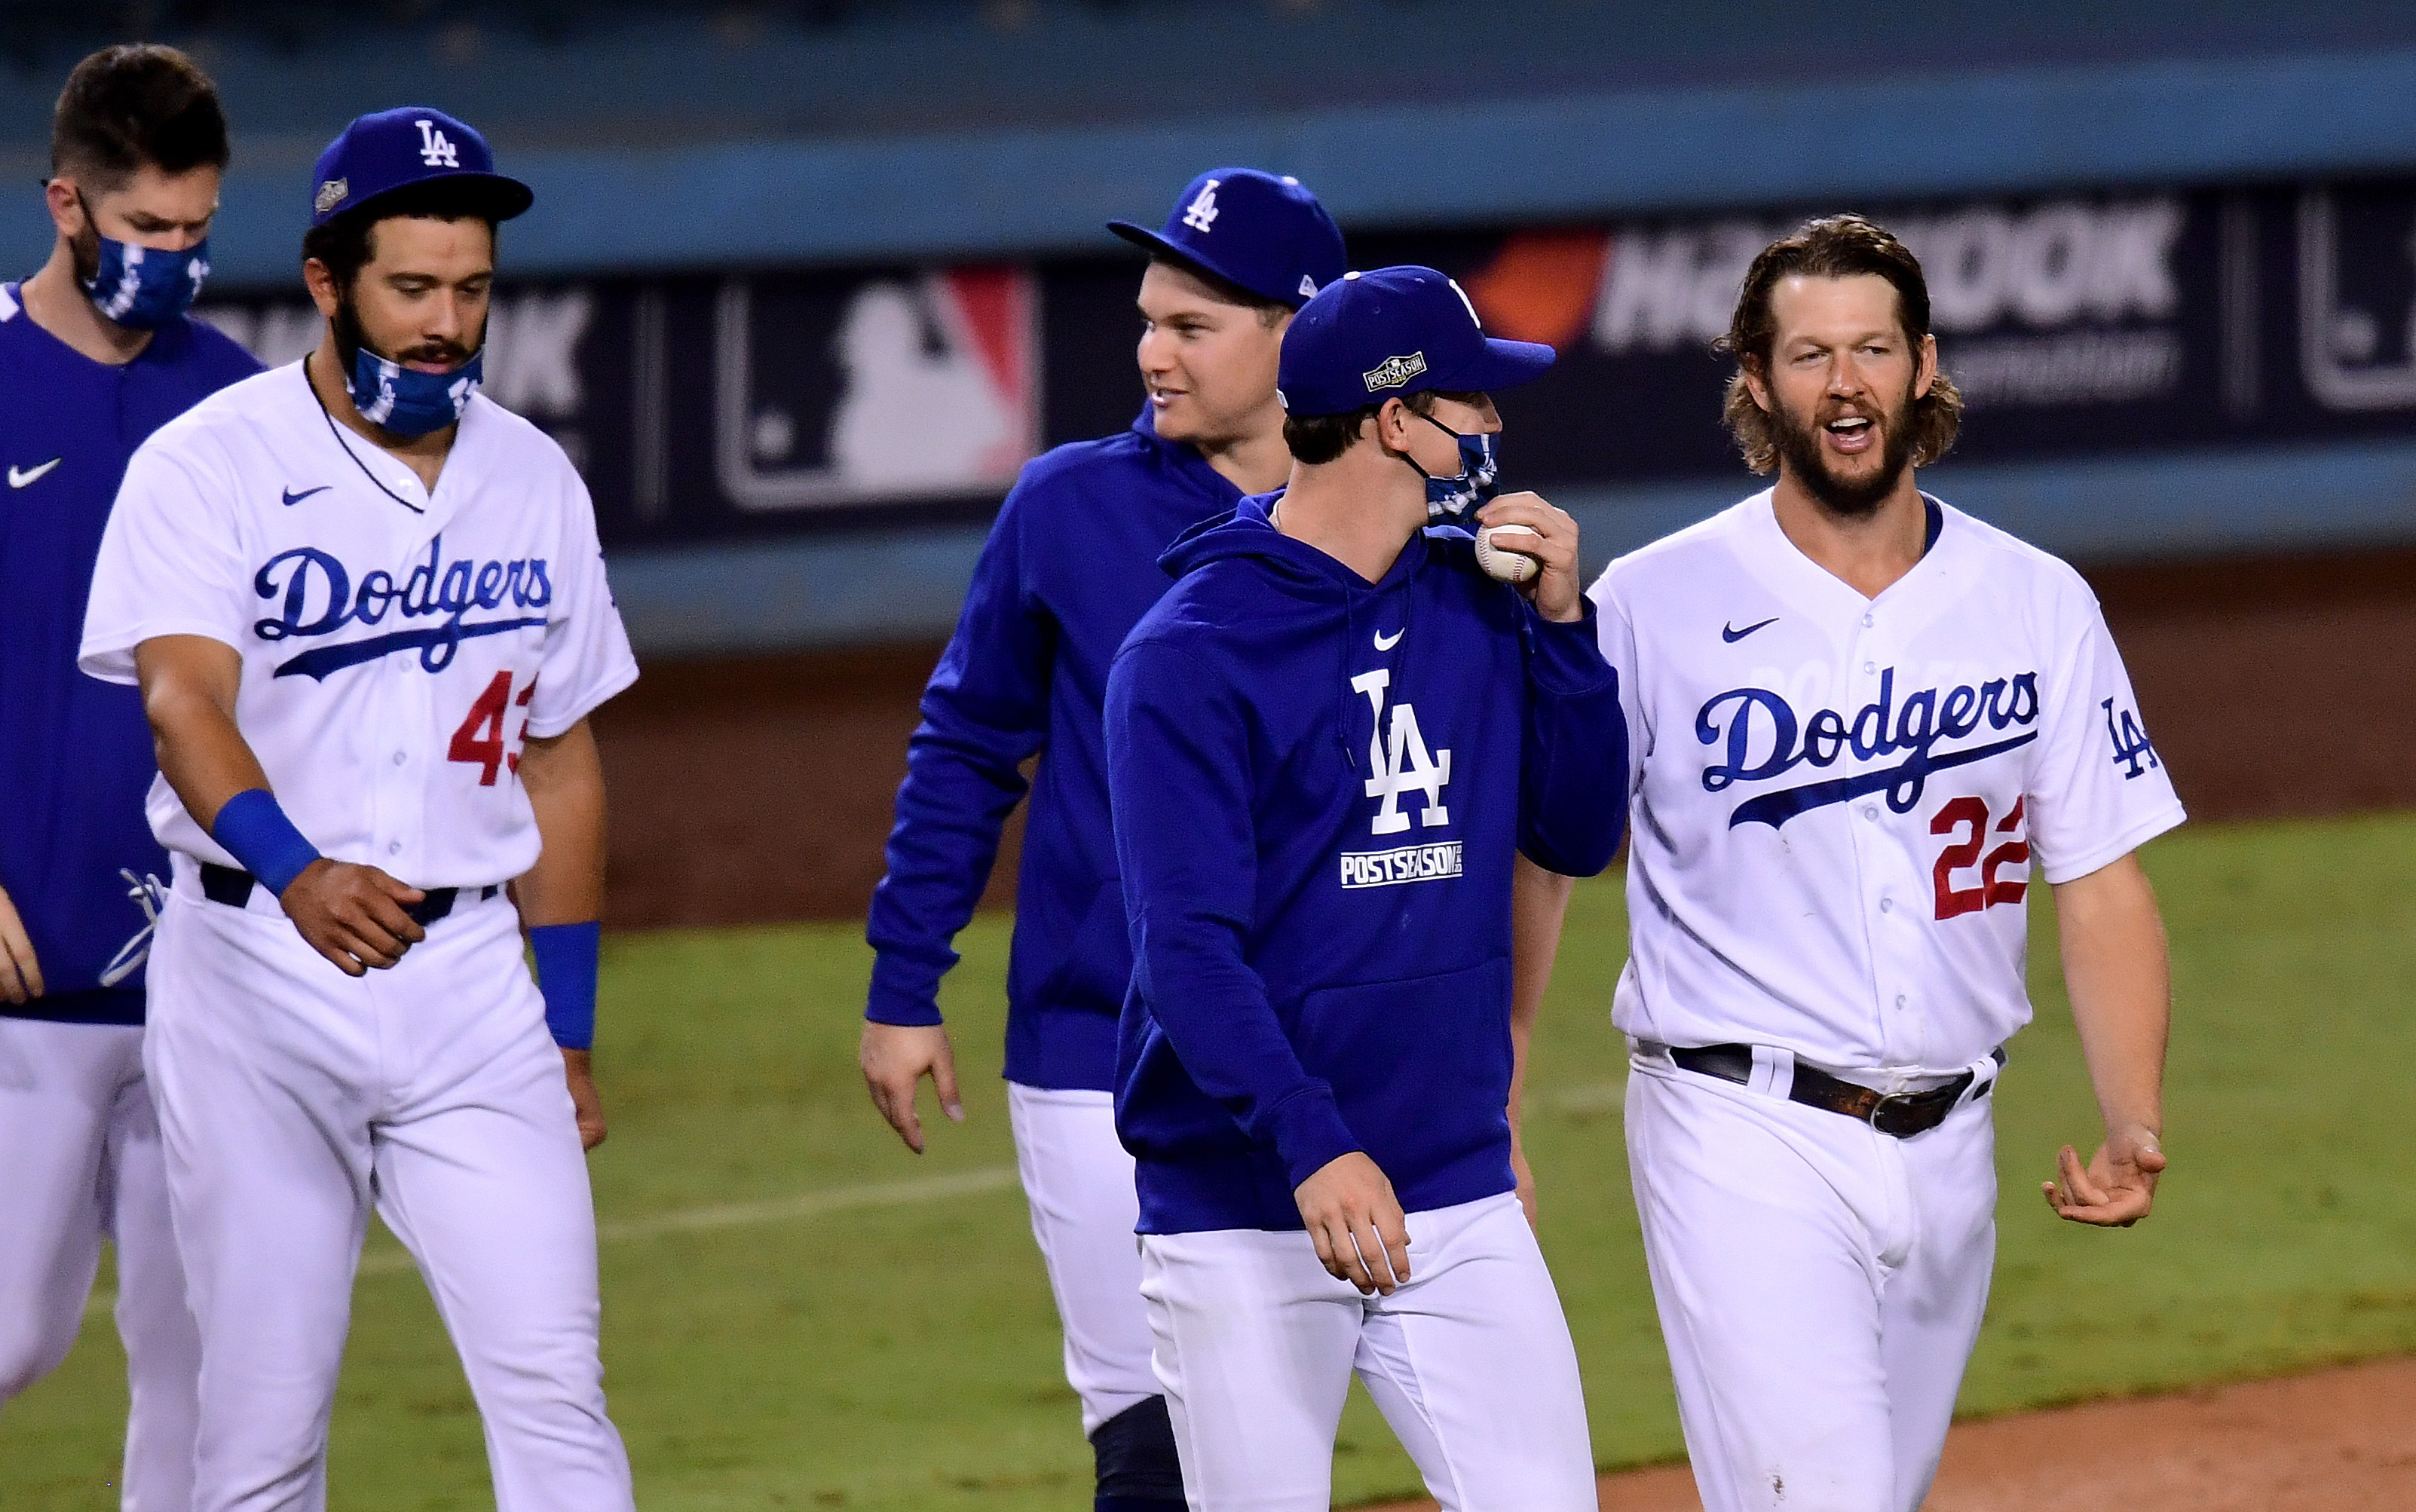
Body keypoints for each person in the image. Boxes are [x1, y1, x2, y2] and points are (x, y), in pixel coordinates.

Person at [78, 106, 639, 1512]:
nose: (447, 322)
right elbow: (182, 702)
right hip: (255, 975)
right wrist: (294, 869)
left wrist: (566, 1026)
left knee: (557, 1391)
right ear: (329, 282)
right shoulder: (208, 464)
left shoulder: (533, 479)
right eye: (413, 288)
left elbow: (560, 760)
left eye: (472, 290)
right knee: (262, 1427)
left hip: (471, 988)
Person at [1579, 214, 2183, 1512]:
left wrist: (2131, 1112)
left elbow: (2099, 875)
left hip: (1951, 1148)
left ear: (1922, 364)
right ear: (1755, 380)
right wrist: (1489, 1090)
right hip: (1735, 1128)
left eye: (1869, 348)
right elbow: (1547, 851)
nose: (1842, 382)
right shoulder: (1651, 600)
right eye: (1808, 354)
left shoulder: (2034, 600)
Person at [857, 168, 1345, 1511]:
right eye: (1148, 318)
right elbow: (967, 745)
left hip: (1333, 1047)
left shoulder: (1380, 516)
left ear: (1298, 335)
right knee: (1151, 1437)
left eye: (1192, 324)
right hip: (1098, 1048)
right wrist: (905, 984)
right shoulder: (1068, 505)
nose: (1151, 350)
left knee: (1302, 1434)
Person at [1104, 265, 1628, 1510]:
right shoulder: (1187, 655)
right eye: (1473, 403)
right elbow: (1186, 952)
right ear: (1398, 421)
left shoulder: (1479, 603)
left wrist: (1563, 629)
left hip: (1451, 1183)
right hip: (1247, 1204)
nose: (1494, 428)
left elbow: (1577, 830)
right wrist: (1312, 1142)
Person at [0, 43, 258, 1509]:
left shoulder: (238, 408)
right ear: (67, 201)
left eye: (195, 230)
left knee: (209, 1362)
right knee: (14, 1335)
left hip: (210, 972)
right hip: (25, 975)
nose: (172, 258)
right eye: (146, 228)